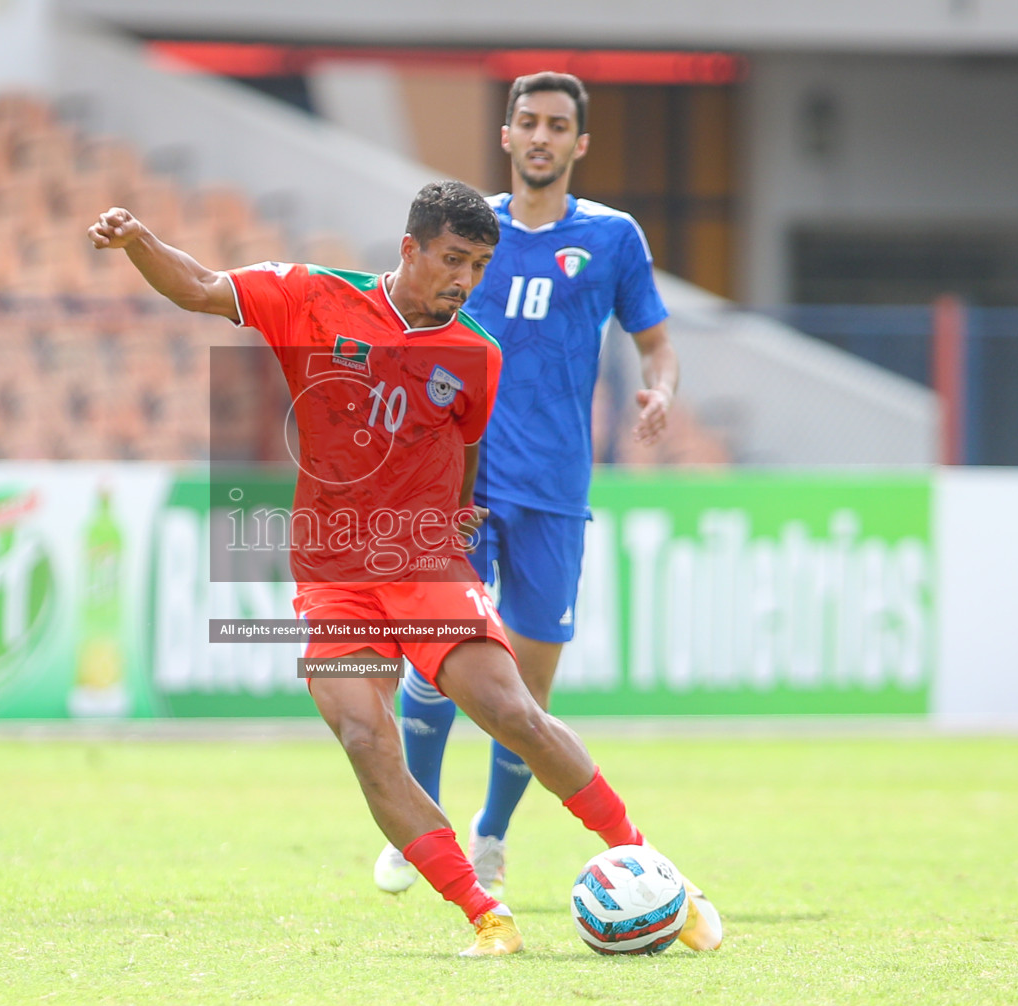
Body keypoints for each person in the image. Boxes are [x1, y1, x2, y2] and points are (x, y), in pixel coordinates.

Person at [88, 180, 717, 956]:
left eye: (481, 265)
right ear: (410, 248)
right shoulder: (310, 299)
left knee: (513, 714)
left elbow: (469, 446)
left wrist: (450, 531)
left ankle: (663, 878)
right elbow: (202, 288)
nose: (466, 280)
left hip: (425, 565)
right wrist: (140, 240)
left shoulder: (476, 353)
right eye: (454, 259)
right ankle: (486, 916)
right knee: (363, 736)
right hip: (332, 578)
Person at [370, 74, 717, 951]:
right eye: (528, 121)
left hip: (559, 491)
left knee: (527, 691)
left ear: (579, 145)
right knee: (437, 660)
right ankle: (420, 834)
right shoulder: (469, 236)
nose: (540, 136)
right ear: (506, 133)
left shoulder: (611, 238)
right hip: (463, 483)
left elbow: (658, 343)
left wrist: (659, 391)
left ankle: (490, 834)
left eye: (558, 125)